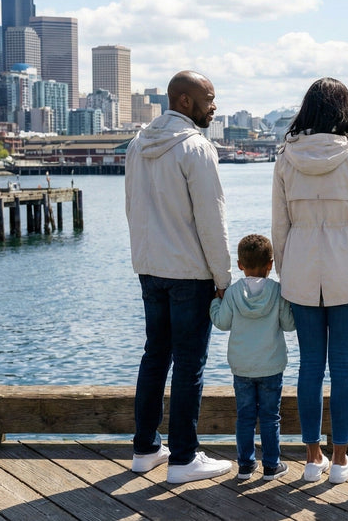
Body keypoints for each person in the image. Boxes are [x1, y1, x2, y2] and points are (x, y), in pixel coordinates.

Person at [271, 77, 348, 484]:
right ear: (346, 111)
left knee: (308, 369)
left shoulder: (286, 156)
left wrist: (285, 272)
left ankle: (311, 458)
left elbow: (279, 225)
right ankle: (340, 461)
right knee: (343, 368)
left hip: (302, 270)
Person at [125, 70, 233, 484]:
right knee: (189, 364)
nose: (214, 105)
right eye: (209, 97)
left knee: (155, 357)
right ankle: (184, 458)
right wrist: (222, 277)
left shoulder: (138, 144)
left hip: (149, 269)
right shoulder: (196, 148)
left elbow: (132, 208)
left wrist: (141, 259)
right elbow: (212, 219)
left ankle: (146, 448)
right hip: (189, 272)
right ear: (185, 101)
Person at [210, 234, 295, 481]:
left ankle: (246, 465)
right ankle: (271, 465)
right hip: (271, 367)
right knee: (270, 417)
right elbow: (289, 325)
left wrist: (215, 303)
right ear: (270, 264)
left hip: (242, 368)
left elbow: (222, 322)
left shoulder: (234, 292)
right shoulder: (277, 291)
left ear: (239, 265)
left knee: (245, 417)